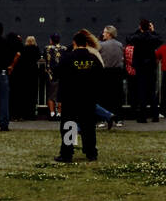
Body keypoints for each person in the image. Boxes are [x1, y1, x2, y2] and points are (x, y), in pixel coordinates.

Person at [55, 30, 103, 162]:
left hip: (70, 97)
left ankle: (67, 153)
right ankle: (91, 152)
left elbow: (57, 75)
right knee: (88, 126)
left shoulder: (67, 58)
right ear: (87, 43)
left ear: (74, 43)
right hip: (88, 98)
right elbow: (100, 77)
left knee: (69, 125)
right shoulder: (93, 59)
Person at [126, 19, 162, 123]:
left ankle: (143, 117)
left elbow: (129, 38)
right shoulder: (153, 38)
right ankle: (155, 116)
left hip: (140, 67)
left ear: (140, 27)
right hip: (151, 67)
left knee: (141, 92)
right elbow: (160, 39)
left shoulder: (137, 37)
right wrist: (153, 31)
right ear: (149, 27)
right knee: (152, 92)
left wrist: (139, 30)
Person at [99, 26, 125, 123]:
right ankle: (119, 119)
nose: (103, 34)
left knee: (104, 97)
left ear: (109, 34)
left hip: (105, 73)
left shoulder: (101, 45)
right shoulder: (120, 44)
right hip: (117, 73)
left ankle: (104, 119)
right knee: (117, 97)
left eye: (104, 32)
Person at [42, 33, 65, 120]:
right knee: (61, 95)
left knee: (51, 95)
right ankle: (59, 114)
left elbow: (44, 58)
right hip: (62, 75)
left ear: (51, 40)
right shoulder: (64, 49)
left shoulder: (46, 48)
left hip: (50, 74)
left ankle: (52, 114)